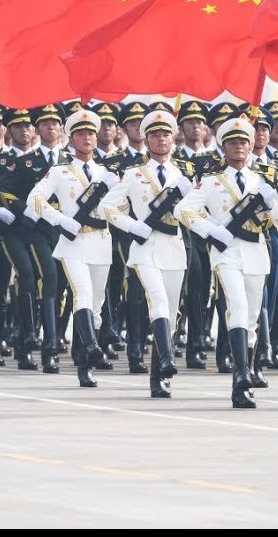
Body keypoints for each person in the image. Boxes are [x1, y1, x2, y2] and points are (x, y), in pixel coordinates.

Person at [175, 116, 278, 408]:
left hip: (256, 250)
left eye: (243, 142)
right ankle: (239, 376)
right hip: (227, 253)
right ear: (223, 146)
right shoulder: (212, 181)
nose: (239, 146)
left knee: (251, 318)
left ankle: (247, 375)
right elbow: (184, 211)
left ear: (251, 145)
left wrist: (273, 202)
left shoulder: (261, 181)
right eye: (233, 142)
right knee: (236, 308)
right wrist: (213, 230)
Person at [100, 109, 194, 398]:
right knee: (157, 301)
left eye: (165, 133)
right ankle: (166, 359)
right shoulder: (133, 174)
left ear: (173, 136)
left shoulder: (185, 174)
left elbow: (197, 212)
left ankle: (158, 377)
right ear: (146, 138)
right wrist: (132, 226)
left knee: (171, 311)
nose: (161, 138)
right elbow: (108, 207)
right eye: (155, 134)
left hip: (174, 246)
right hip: (144, 247)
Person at [27, 108, 116, 388]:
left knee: (97, 308)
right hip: (73, 244)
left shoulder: (107, 173)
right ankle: (89, 353)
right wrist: (61, 220)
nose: (87, 138)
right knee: (82, 294)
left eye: (91, 132)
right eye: (81, 133)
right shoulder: (59, 171)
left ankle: (84, 356)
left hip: (101, 241)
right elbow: (35, 200)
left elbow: (121, 209)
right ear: (71, 138)